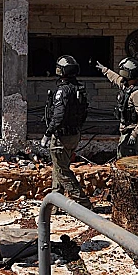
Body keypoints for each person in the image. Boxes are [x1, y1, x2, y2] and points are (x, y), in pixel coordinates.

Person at [41, 55, 93, 210]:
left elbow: (58, 115)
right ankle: (55, 205)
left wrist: (48, 133)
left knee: (63, 172)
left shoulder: (63, 91)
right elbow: (83, 114)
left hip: (61, 136)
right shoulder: (79, 89)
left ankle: (84, 204)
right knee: (58, 168)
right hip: (74, 135)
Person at [96, 58, 138, 158]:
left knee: (128, 160)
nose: (121, 74)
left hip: (132, 132)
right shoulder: (128, 87)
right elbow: (116, 79)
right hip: (125, 130)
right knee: (122, 156)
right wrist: (105, 70)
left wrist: (135, 134)